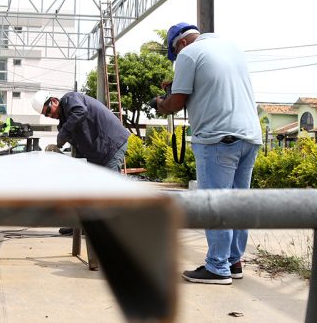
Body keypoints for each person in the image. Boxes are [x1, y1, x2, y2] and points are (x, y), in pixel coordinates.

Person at [152, 22, 262, 285]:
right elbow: (214, 85)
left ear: (181, 43)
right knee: (237, 202)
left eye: (175, 54)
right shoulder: (230, 47)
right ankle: (233, 261)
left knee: (215, 203)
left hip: (218, 138)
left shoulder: (188, 55)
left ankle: (217, 267)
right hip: (249, 136)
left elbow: (175, 103)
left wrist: (160, 103)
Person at [32, 90, 129, 172]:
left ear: (54, 101)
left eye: (48, 111)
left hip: (111, 143)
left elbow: (81, 111)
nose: (49, 115)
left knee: (110, 186)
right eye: (46, 115)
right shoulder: (64, 123)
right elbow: (78, 146)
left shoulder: (69, 99)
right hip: (99, 152)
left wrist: (62, 133)